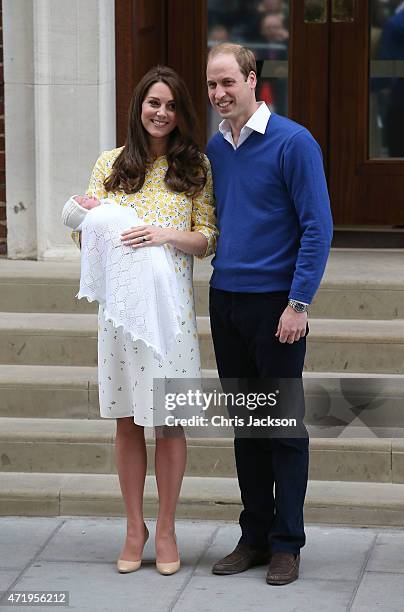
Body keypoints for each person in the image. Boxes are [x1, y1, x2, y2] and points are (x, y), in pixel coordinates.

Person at [64, 65, 217, 576]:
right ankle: (135, 527)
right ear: (139, 107)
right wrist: (90, 219)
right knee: (128, 421)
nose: (161, 113)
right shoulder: (109, 164)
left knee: (170, 424)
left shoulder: (195, 166)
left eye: (171, 105)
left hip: (170, 316)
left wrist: (162, 234)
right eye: (154, 103)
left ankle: (168, 528)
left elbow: (208, 238)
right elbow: (83, 238)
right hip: (120, 316)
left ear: (181, 114)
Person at [206, 43, 332, 585]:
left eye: (228, 82)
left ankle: (287, 543)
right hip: (226, 300)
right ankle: (253, 536)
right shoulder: (216, 147)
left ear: (252, 79)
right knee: (246, 427)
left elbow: (317, 227)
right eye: (212, 85)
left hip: (276, 306)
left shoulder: (293, 142)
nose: (219, 93)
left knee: (281, 427)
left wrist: (298, 303)